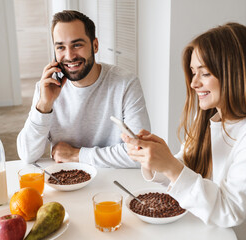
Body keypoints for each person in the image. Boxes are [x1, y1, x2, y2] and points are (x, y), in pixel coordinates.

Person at [122, 23, 246, 239]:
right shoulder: (213, 115)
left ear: (236, 74)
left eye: (205, 73)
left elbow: (227, 210)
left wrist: (171, 167)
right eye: (193, 73)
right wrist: (156, 159)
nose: (193, 83)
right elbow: (188, 169)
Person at [17, 10, 150, 168]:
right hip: (66, 181)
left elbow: (141, 153)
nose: (69, 56)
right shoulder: (45, 88)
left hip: (113, 181)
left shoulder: (126, 83)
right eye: (60, 48)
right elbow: (27, 155)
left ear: (95, 45)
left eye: (77, 45)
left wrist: (77, 154)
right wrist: (44, 106)